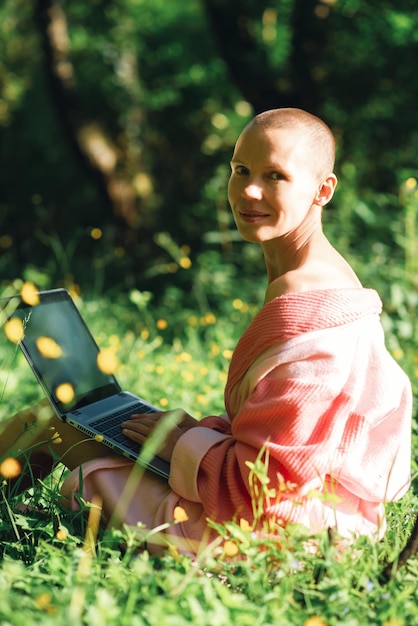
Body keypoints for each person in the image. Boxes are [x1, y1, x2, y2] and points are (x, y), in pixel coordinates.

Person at [1, 108, 412, 556]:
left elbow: (272, 483)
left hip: (272, 540)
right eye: (241, 170)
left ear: (323, 190)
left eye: (275, 175)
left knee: (52, 426)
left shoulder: (308, 304)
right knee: (62, 419)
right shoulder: (316, 278)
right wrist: (195, 435)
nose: (249, 190)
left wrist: (186, 444)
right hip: (303, 514)